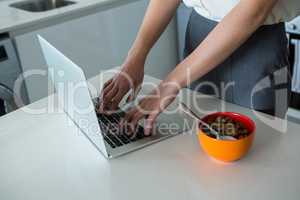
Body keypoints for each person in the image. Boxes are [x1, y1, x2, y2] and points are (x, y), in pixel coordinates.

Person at [99, 0, 300, 135]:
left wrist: (171, 82)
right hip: (198, 38)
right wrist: (136, 56)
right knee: (196, 150)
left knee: (258, 159)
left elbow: (254, 9)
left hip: (257, 44)